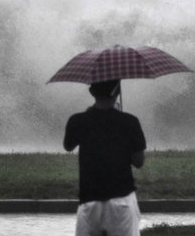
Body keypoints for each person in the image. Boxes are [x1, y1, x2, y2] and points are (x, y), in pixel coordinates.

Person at [63, 79, 147, 236]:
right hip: (121, 200)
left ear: (91, 92)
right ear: (117, 92)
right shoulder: (130, 122)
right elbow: (139, 162)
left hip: (89, 201)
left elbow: (68, 146)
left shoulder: (78, 121)